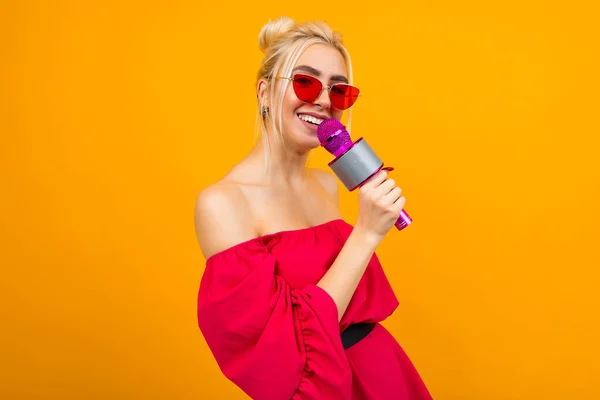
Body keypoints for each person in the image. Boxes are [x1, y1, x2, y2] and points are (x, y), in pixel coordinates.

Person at [194, 16, 433, 400]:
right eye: (305, 82)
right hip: (327, 388)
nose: (323, 100)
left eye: (339, 91)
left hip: (384, 372)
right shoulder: (222, 203)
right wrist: (367, 233)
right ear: (265, 93)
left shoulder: (326, 183)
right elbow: (282, 351)